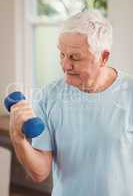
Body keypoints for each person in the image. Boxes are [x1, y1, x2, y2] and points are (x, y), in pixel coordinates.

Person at [9, 10, 133, 196]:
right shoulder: (48, 96)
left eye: (75, 57)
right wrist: (18, 139)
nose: (65, 65)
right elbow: (40, 172)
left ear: (103, 57)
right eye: (62, 54)